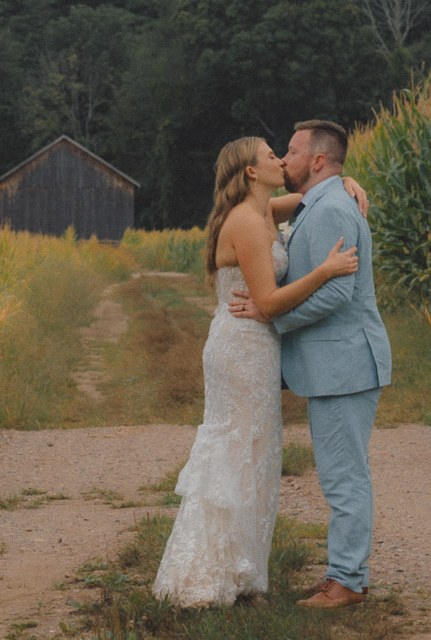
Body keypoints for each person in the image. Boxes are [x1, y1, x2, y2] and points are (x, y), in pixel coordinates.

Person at [152, 136, 364, 607]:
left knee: (256, 459)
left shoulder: (265, 209)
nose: (281, 161)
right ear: (251, 171)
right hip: (241, 348)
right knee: (237, 457)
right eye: (272, 156)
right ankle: (208, 575)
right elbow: (267, 303)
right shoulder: (247, 222)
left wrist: (346, 180)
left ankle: (241, 573)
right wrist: (325, 271)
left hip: (258, 348)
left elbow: (313, 196)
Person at [228, 119, 391, 610]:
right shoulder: (321, 202)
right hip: (337, 364)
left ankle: (347, 582)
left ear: (317, 161)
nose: (284, 160)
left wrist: (272, 315)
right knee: (342, 474)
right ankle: (343, 574)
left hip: (345, 364)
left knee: (344, 477)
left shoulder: (331, 208)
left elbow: (338, 293)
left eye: (293, 151)